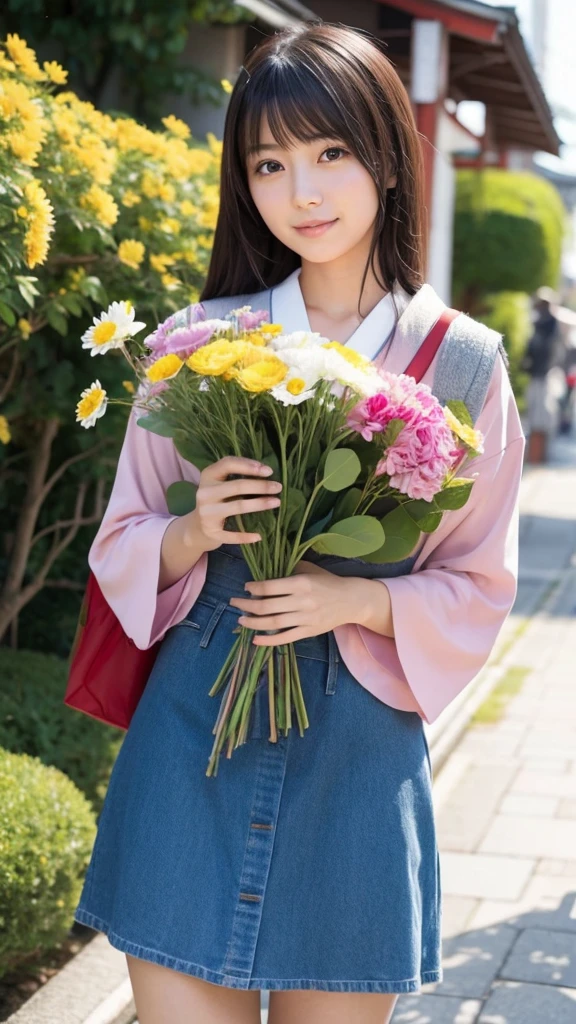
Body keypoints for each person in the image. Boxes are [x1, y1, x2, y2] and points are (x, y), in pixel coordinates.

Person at [72, 22, 525, 1024]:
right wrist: (193, 533)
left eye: (330, 154)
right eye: (270, 164)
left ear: (388, 161)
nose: (303, 192)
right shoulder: (198, 346)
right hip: (193, 740)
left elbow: (483, 579)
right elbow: (121, 540)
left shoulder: (462, 366)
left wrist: (357, 595)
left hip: (358, 774)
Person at [522, 286, 566, 460]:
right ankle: (534, 452)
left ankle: (543, 453)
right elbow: (531, 349)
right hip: (535, 374)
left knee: (545, 415)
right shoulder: (537, 323)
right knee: (533, 413)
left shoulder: (552, 324)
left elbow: (553, 350)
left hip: (547, 374)